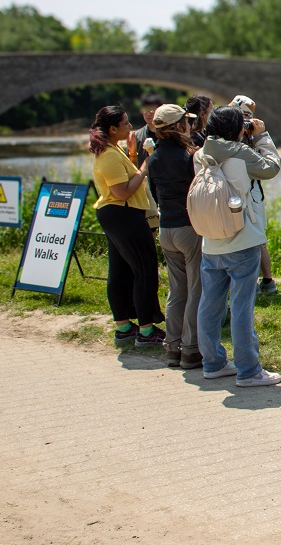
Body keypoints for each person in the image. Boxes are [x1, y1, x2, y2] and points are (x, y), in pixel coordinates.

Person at [195, 106, 281, 386]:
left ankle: (213, 362)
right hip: (242, 239)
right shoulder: (240, 152)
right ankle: (248, 370)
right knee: (242, 307)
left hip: (211, 240)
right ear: (236, 128)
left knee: (209, 305)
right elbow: (271, 168)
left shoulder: (200, 154)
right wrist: (262, 137)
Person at [88, 105, 165, 346]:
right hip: (123, 214)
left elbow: (124, 178)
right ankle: (146, 330)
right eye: (125, 123)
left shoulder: (112, 149)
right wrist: (145, 166)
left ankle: (123, 327)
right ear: (112, 129)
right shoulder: (109, 155)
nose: (130, 127)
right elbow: (122, 192)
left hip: (117, 215)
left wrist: (133, 155)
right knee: (145, 269)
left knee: (120, 270)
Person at [146, 104, 204, 370]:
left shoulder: (154, 158)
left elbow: (154, 192)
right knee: (196, 289)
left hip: (166, 229)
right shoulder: (188, 155)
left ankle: (172, 347)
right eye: (186, 122)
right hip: (188, 228)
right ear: (179, 126)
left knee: (176, 290)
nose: (190, 125)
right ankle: (191, 349)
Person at [230, 94, 277, 295]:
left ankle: (264, 281)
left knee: (256, 238)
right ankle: (263, 282)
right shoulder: (235, 135)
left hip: (251, 190)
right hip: (243, 191)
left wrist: (257, 136)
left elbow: (269, 167)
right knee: (254, 238)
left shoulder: (247, 135)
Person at [128, 93, 163, 167]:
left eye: (152, 109)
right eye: (146, 109)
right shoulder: (136, 137)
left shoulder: (168, 134)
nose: (148, 113)